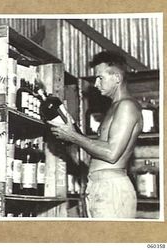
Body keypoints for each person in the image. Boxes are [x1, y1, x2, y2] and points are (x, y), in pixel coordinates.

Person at [49, 50, 143, 218]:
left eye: (100, 78)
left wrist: (73, 136)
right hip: (99, 187)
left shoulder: (127, 106)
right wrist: (73, 130)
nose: (96, 84)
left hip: (112, 189)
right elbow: (102, 146)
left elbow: (112, 154)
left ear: (117, 78)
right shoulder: (114, 108)